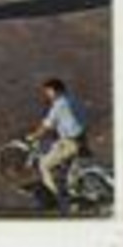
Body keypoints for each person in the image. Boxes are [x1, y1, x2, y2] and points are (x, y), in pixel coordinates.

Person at [29, 78, 86, 213]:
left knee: (44, 164)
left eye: (47, 91)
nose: (46, 94)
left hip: (70, 142)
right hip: (81, 138)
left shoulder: (58, 105)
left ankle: (55, 197)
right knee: (70, 171)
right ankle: (75, 200)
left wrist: (33, 136)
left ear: (54, 91)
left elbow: (46, 125)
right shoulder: (72, 99)